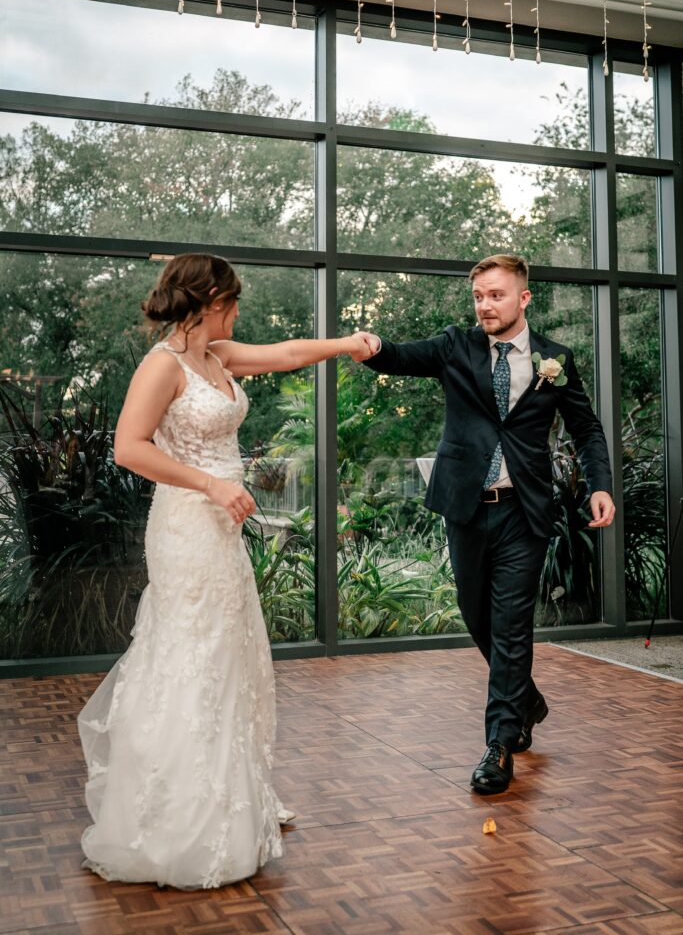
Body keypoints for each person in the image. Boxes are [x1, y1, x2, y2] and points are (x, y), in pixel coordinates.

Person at [78, 253, 373, 888]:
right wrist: (209, 485)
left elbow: (288, 353)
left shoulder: (217, 356)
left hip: (222, 526)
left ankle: (230, 794)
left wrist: (347, 344)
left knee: (227, 654)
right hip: (187, 526)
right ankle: (175, 814)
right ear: (209, 301)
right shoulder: (162, 366)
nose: (238, 313)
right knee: (193, 655)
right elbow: (129, 448)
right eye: (233, 302)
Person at [355, 255, 615, 794]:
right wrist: (374, 347)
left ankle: (499, 745)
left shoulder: (555, 360)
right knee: (477, 615)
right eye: (478, 296)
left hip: (525, 510)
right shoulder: (456, 345)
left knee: (512, 622)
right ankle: (527, 700)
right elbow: (400, 357)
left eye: (495, 295)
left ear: (524, 298)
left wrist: (600, 485)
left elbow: (587, 429)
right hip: (466, 506)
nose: (484, 305)